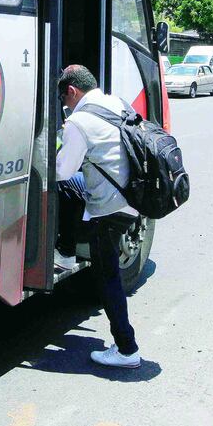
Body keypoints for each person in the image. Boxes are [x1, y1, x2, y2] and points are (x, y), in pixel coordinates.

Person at [55, 64, 141, 369]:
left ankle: (127, 349)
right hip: (133, 198)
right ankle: (66, 253)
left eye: (64, 99)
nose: (65, 106)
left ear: (73, 92)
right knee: (74, 187)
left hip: (109, 208)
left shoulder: (79, 121)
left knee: (107, 278)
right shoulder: (116, 103)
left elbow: (62, 170)